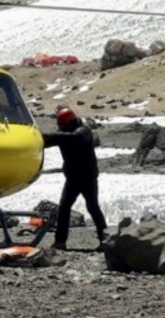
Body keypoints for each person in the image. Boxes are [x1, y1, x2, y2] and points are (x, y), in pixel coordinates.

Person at [42, 107, 108, 251]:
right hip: (73, 178)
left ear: (67, 123)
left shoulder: (83, 132)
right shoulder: (65, 135)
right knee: (64, 208)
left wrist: (48, 137)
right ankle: (60, 242)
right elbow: (53, 141)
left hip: (87, 177)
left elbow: (72, 138)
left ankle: (106, 240)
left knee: (92, 207)